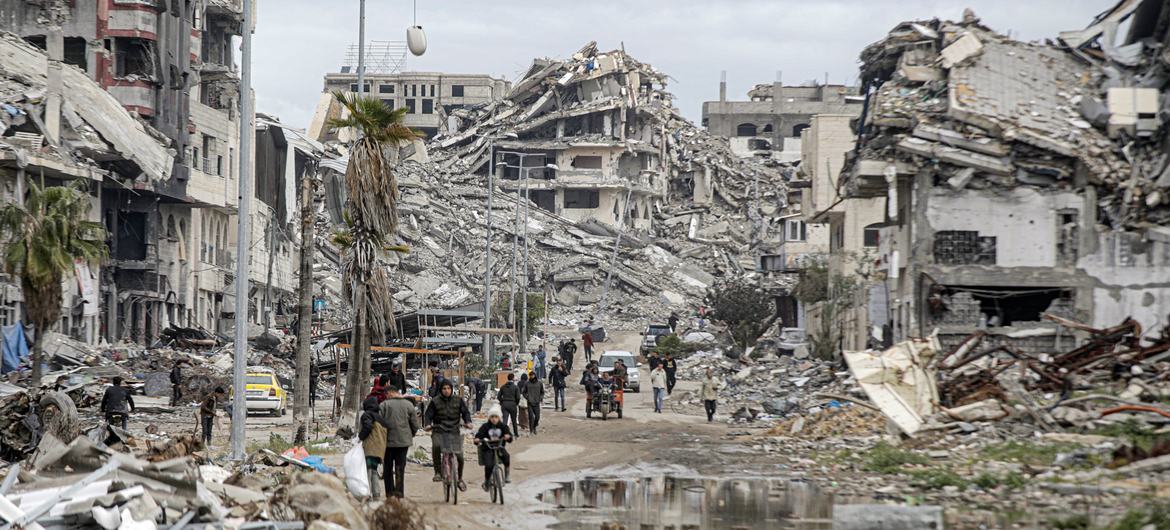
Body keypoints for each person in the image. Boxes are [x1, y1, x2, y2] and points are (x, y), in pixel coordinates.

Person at [424, 380, 472, 491]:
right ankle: (438, 472)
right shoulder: (435, 401)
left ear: (452, 389)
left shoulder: (458, 400)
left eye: (448, 388)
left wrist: (468, 422)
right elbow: (428, 415)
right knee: (436, 446)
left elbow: (465, 413)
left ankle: (460, 479)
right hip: (439, 430)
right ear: (441, 390)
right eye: (444, 388)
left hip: (454, 431)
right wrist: (428, 425)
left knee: (460, 456)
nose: (446, 391)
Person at [379, 386, 419, 499]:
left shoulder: (384, 405)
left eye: (386, 394)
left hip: (388, 442)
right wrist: (410, 434)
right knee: (400, 467)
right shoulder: (409, 405)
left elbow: (379, 423)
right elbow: (415, 424)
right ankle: (399, 493)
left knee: (387, 468)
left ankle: (389, 493)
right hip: (403, 443)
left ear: (389, 393)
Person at [474, 406, 513, 491]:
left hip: (499, 447)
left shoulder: (503, 426)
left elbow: (509, 437)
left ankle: (507, 474)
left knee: (506, 456)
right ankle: (487, 480)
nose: (494, 419)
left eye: (496, 417)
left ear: (499, 418)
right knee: (488, 465)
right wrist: (477, 439)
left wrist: (508, 437)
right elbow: (479, 435)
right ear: (489, 418)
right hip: (488, 448)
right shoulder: (485, 427)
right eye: (492, 417)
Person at [358, 396, 388, 499]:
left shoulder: (367, 415)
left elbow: (368, 426)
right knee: (374, 471)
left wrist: (360, 437)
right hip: (379, 449)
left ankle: (367, 494)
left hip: (370, 448)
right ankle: (376, 494)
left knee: (368, 471)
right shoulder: (380, 418)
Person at [524, 370, 544, 434]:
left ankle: (534, 427)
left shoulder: (539, 383)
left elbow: (542, 392)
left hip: (537, 402)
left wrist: (540, 398)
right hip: (530, 402)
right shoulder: (527, 383)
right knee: (531, 417)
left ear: (535, 375)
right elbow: (524, 392)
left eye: (532, 375)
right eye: (530, 375)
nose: (532, 376)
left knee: (537, 417)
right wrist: (527, 397)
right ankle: (531, 430)